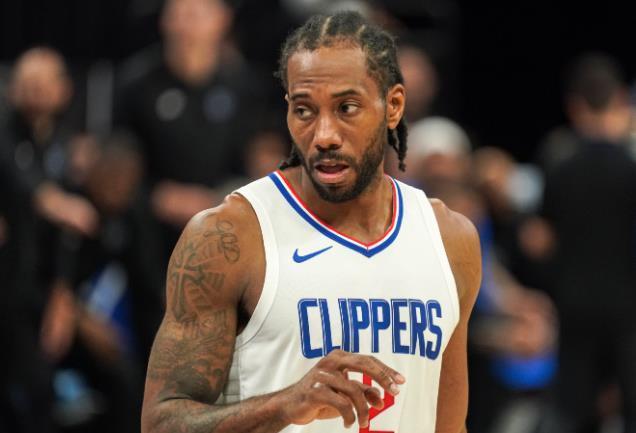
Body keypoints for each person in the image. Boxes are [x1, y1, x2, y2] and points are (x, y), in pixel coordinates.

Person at [141, 11, 481, 433]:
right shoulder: (230, 236)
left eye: (347, 108)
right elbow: (160, 423)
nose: (324, 135)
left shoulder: (449, 239)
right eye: (304, 110)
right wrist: (285, 405)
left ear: (393, 106)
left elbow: (449, 426)